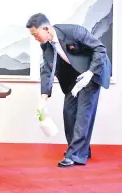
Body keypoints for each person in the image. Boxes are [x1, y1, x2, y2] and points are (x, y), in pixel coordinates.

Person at [26, 13, 111, 167]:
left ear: (46, 28)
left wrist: (90, 73)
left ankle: (76, 154)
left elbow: (100, 49)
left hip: (92, 73)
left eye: (35, 34)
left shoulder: (74, 32)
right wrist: (43, 99)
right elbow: (47, 70)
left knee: (83, 114)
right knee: (69, 113)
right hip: (74, 78)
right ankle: (80, 149)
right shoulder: (46, 45)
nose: (35, 38)